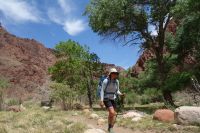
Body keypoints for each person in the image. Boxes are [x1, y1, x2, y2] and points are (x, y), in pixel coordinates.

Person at [100, 68, 124, 133]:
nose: (115, 74)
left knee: (114, 114)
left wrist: (121, 94)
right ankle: (110, 128)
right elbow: (102, 90)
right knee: (112, 112)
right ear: (110, 74)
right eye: (114, 73)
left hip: (113, 98)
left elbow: (117, 91)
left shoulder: (117, 81)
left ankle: (110, 128)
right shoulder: (105, 81)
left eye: (116, 73)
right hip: (106, 98)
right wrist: (101, 100)